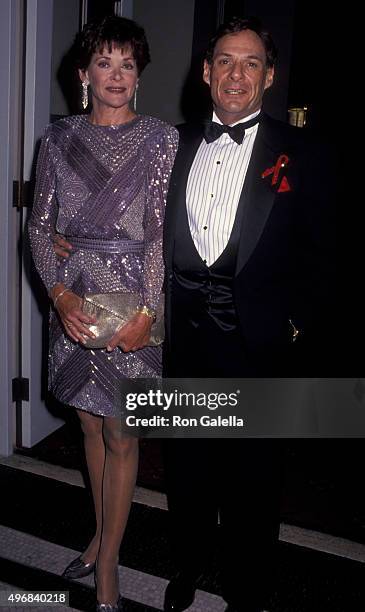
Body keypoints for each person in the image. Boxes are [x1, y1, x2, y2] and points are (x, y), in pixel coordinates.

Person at [161, 16, 334, 612]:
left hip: (260, 344)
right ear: (205, 72)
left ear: (269, 76)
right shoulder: (170, 143)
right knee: (187, 472)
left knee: (255, 481)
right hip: (182, 342)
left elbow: (327, 252)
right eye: (225, 62)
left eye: (251, 63)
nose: (237, 74)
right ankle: (185, 565)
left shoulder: (304, 152)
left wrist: (294, 326)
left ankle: (247, 588)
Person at [29, 15, 178, 612]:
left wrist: (149, 311)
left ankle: (109, 562)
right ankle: (98, 534)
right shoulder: (57, 140)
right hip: (74, 303)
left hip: (135, 305)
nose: (116, 75)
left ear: (138, 76)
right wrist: (59, 296)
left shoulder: (161, 138)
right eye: (104, 63)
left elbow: (163, 237)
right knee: (88, 426)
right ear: (83, 75)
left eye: (127, 64)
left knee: (121, 431)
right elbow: (38, 227)